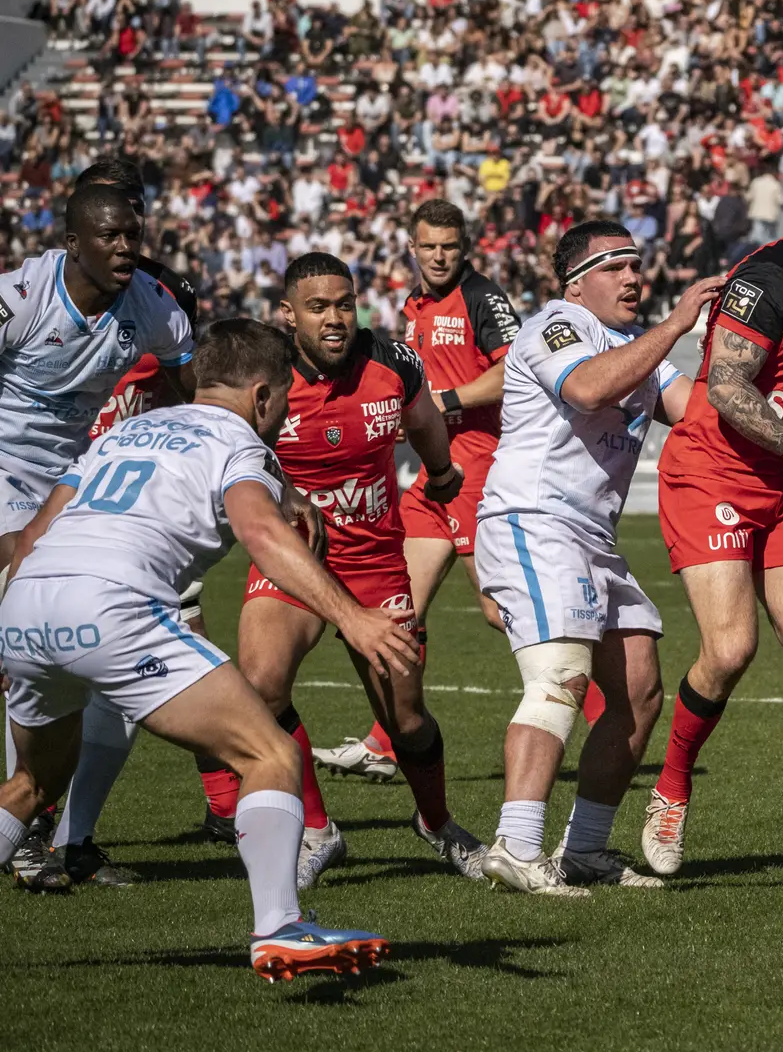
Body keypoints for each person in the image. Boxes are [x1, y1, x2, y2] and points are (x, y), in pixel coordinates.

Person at [0, 319, 410, 977]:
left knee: (31, 785)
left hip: (27, 605)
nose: (283, 415)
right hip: (111, 606)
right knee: (270, 753)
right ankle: (280, 927)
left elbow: (32, 536)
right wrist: (354, 618)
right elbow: (262, 535)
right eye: (283, 399)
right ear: (262, 396)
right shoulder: (240, 441)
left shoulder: (122, 433)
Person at [197, 252, 484, 889]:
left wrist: (441, 473)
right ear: (288, 314)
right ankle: (319, 830)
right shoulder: (264, 378)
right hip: (295, 562)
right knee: (262, 687)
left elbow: (425, 421)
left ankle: (437, 823)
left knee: (407, 721)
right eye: (318, 307)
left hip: (377, 565)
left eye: (344, 304)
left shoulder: (393, 363)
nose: (334, 319)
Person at [644, 144, 783, 884]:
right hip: (710, 473)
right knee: (730, 650)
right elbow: (727, 387)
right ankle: (671, 788)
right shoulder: (767, 277)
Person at [474, 223, 722, 895]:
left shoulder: (638, 347)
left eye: (637, 264)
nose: (633, 277)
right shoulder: (556, 324)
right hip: (534, 519)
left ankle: (583, 849)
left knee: (638, 692)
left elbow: (699, 415)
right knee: (560, 677)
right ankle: (516, 844)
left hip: (593, 537)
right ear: (576, 283)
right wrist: (676, 324)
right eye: (615, 266)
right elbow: (585, 388)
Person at [0, 181, 195, 889]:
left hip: (77, 482)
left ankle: (71, 841)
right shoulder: (20, 298)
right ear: (72, 243)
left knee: (114, 673)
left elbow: (199, 392)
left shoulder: (154, 306)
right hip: (3, 469)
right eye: (109, 236)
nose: (124, 248)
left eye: (132, 235)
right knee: (33, 651)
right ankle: (28, 830)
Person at [312, 200, 522, 782]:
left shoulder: (483, 298)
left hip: (477, 468)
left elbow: (515, 372)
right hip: (435, 473)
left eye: (449, 246)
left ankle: (598, 690)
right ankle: (387, 742)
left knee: (497, 609)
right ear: (412, 247)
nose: (439, 256)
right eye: (428, 246)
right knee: (400, 608)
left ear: (465, 248)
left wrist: (440, 403)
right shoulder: (415, 305)